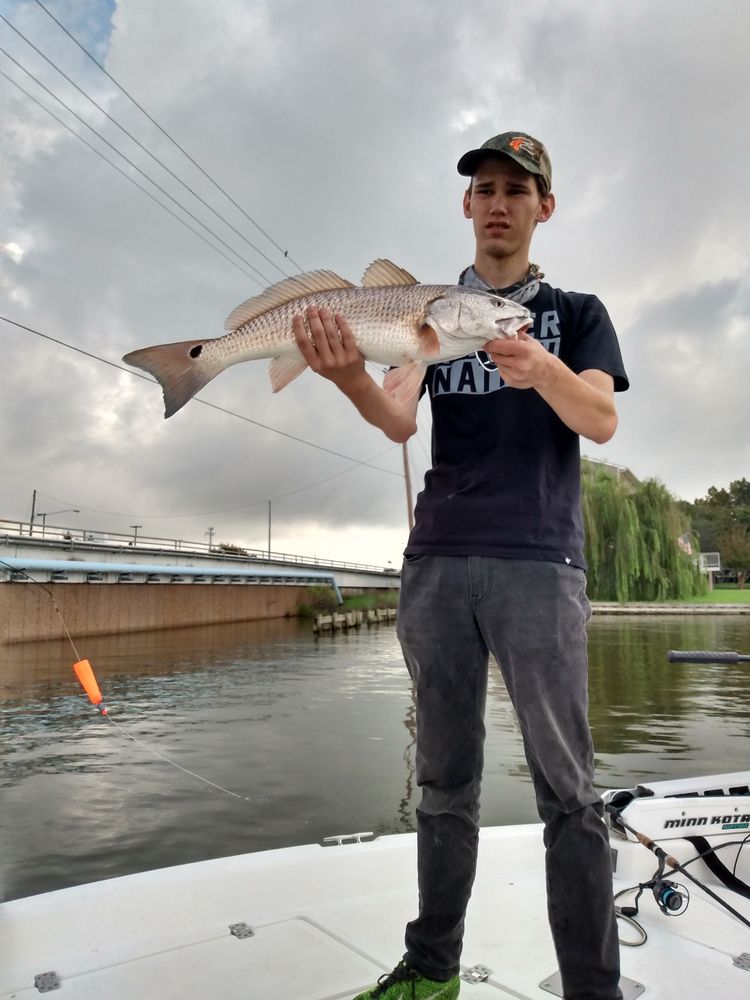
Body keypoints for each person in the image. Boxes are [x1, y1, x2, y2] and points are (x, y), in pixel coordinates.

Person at [292, 131, 629, 1000]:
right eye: (484, 189)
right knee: (443, 781)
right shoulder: (433, 317)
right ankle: (432, 971)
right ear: (467, 205)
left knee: (569, 791)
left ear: (544, 207)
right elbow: (397, 419)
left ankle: (592, 990)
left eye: (517, 189)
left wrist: (543, 367)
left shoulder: (577, 313)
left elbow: (599, 420)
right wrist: (348, 377)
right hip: (437, 561)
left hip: (539, 563)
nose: (498, 203)